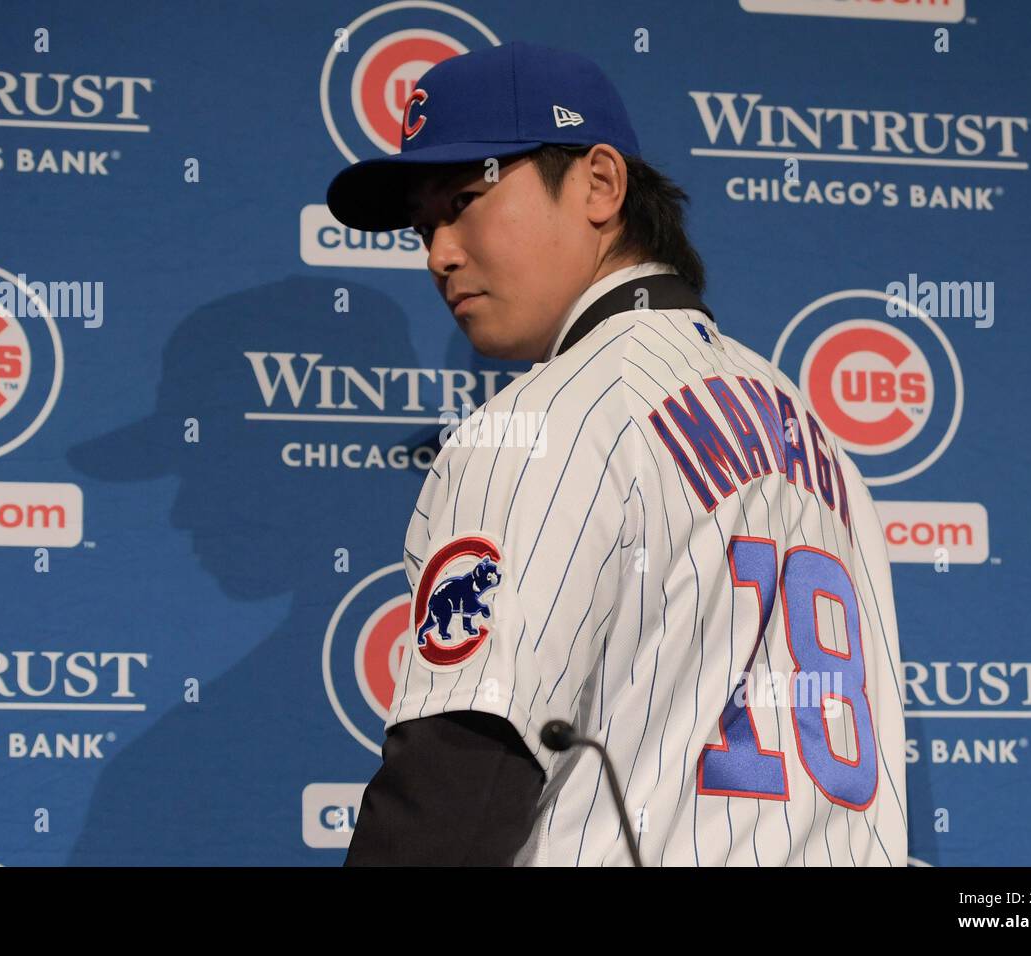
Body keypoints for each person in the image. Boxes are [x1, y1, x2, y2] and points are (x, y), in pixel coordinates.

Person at [325, 40, 907, 866]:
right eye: (424, 228)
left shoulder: (542, 422)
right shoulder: (813, 434)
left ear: (600, 185)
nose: (438, 253)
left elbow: (457, 788)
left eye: (463, 200)